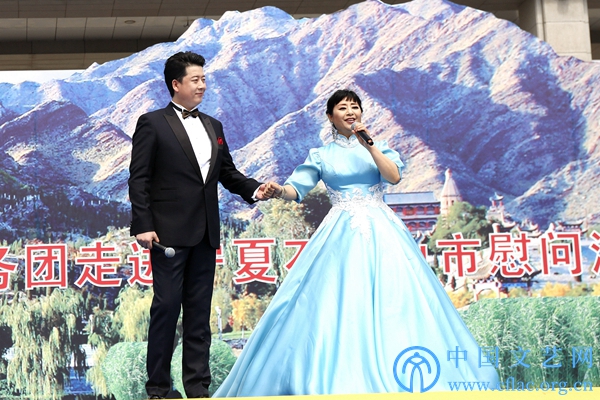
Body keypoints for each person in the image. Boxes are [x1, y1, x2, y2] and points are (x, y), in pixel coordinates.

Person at [213, 89, 499, 396]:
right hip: (341, 229)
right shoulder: (321, 155)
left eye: (355, 107)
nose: (350, 112)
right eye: (343, 108)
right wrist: (278, 190)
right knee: (336, 298)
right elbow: (296, 189)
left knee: (399, 296)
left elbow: (393, 177)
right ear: (330, 116)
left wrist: (370, 145)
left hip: (383, 229)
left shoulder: (378, 146)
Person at [128, 51, 274, 399]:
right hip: (167, 234)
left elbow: (226, 172)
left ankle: (197, 387)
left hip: (206, 232)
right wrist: (143, 224)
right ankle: (159, 389)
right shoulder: (152, 123)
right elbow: (139, 178)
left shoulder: (213, 125)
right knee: (166, 309)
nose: (202, 85)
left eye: (204, 79)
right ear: (176, 84)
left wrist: (255, 189)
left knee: (199, 314)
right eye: (195, 79)